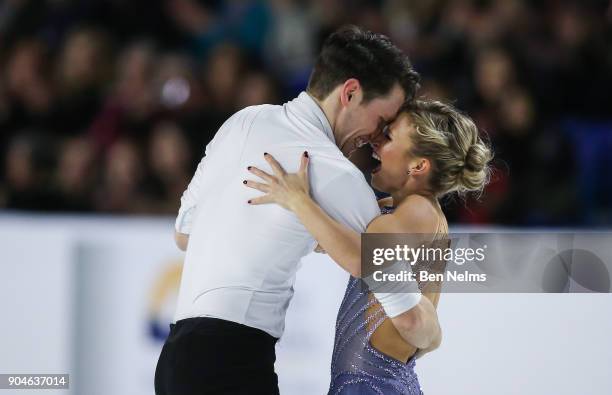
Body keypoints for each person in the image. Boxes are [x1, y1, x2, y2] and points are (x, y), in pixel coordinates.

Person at [155, 25, 440, 395]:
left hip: (176, 360)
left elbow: (184, 234)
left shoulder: (242, 121)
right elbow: (406, 311)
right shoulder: (334, 172)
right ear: (350, 93)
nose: (374, 137)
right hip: (230, 363)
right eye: (381, 121)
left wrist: (292, 226)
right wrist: (433, 335)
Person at [244, 100, 493, 394]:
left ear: (418, 165)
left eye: (388, 137)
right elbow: (331, 241)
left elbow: (359, 257)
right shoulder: (399, 209)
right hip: (371, 382)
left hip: (376, 384)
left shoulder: (419, 211)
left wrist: (299, 200)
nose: (376, 140)